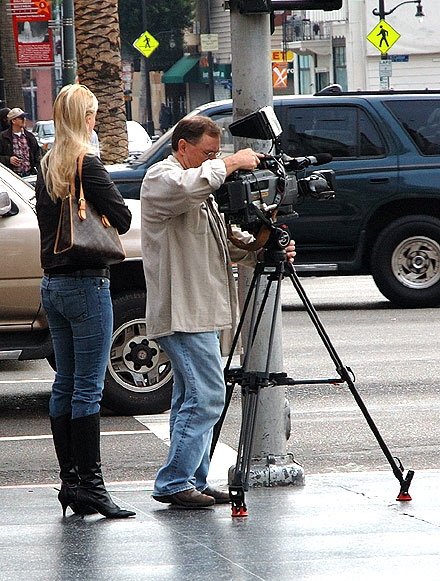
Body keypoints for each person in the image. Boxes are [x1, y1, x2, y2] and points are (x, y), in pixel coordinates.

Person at [141, 116, 295, 509]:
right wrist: (231, 162)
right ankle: (174, 481)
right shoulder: (163, 179)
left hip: (202, 313)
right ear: (182, 147)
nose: (213, 158)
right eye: (207, 152)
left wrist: (267, 238)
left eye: (216, 152)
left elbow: (233, 247)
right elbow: (189, 186)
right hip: (181, 312)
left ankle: (191, 477)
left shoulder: (202, 190)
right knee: (208, 396)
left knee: (189, 399)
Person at [35, 84, 135, 519]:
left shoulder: (46, 163)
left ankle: (70, 483)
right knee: (88, 390)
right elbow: (125, 218)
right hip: (87, 285)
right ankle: (91, 487)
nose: (96, 121)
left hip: (52, 285)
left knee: (65, 383)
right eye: (92, 115)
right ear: (84, 119)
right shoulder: (85, 162)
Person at [0, 107, 41, 176]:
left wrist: (38, 172)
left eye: (24, 117)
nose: (24, 120)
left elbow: (37, 157)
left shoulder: (30, 137)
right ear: (13, 121)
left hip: (29, 174)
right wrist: (9, 159)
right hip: (11, 176)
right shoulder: (3, 137)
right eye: (21, 118)